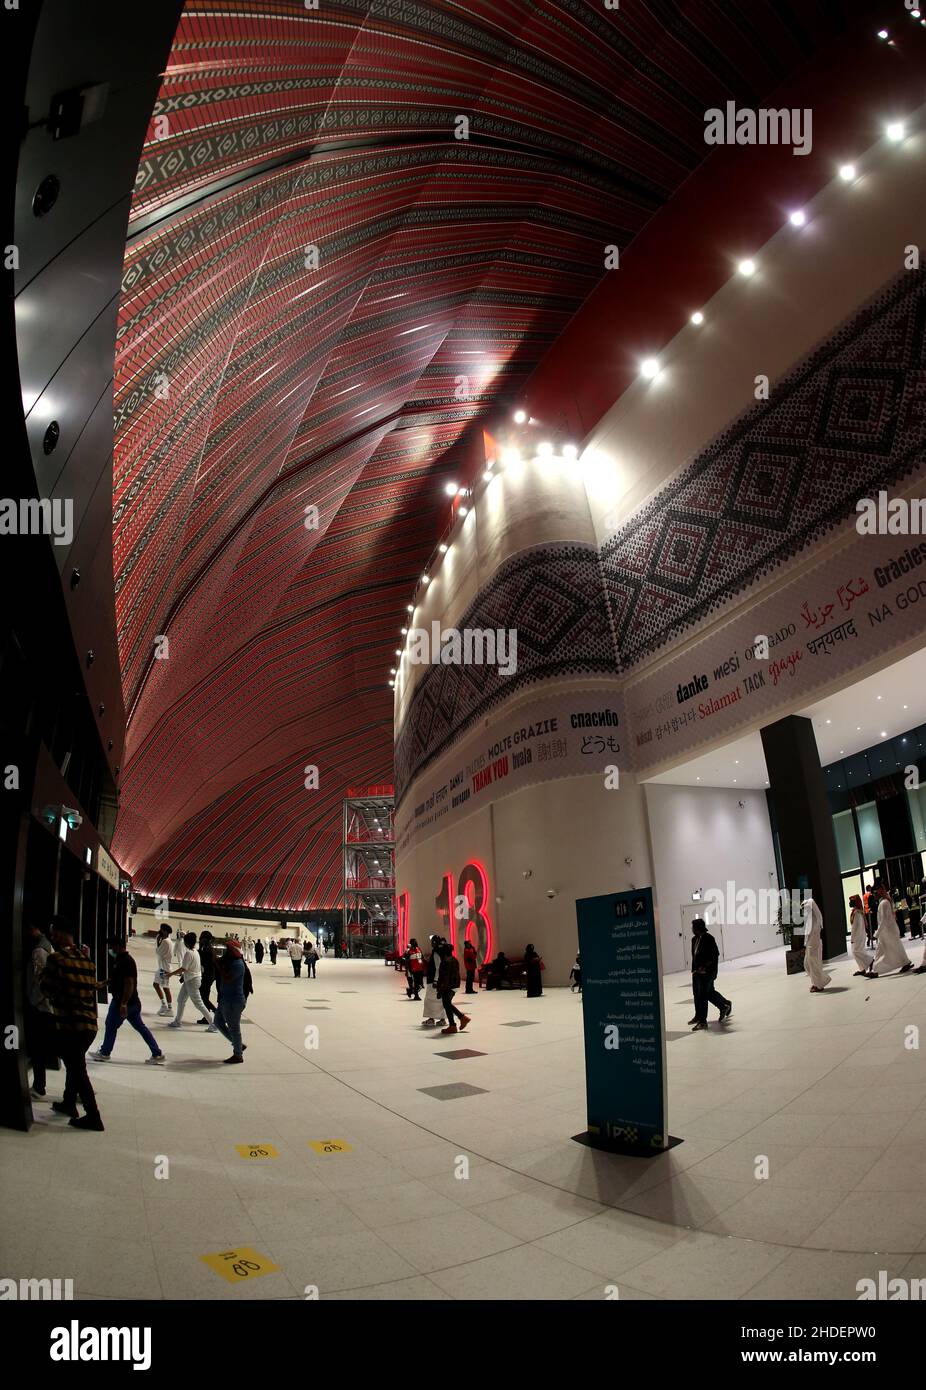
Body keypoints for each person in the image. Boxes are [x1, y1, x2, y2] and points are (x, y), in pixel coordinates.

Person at [39, 916, 104, 1130]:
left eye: (52, 931)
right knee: (74, 1064)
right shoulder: (87, 961)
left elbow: (46, 990)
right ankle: (68, 1103)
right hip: (89, 1026)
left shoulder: (56, 959)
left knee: (77, 1069)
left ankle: (93, 1116)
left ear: (58, 932)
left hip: (70, 1025)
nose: (51, 935)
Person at [90, 935, 167, 1063]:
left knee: (111, 1025)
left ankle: (105, 1052)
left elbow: (129, 983)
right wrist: (103, 983)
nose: (110, 949)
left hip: (124, 1002)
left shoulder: (127, 961)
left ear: (118, 946)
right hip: (132, 1003)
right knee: (140, 1027)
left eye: (111, 947)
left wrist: (124, 1003)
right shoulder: (120, 960)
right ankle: (157, 1053)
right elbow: (117, 979)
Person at [24, 924, 57, 1099]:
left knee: (38, 1049)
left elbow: (41, 981)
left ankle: (39, 1086)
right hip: (48, 1007)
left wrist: (34, 1000)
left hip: (43, 1008)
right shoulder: (48, 945)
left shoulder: (39, 951)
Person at [166, 932, 216, 1029]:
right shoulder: (195, 952)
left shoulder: (189, 953)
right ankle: (177, 1021)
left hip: (192, 981)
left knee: (198, 1003)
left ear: (185, 942)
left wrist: (170, 974)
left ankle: (213, 1024)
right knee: (181, 1000)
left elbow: (183, 968)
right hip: (190, 980)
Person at [690, 918, 731, 1030]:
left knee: (703, 995)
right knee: (700, 994)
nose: (692, 929)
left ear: (698, 928)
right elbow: (694, 956)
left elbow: (714, 955)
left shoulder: (709, 939)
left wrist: (705, 967)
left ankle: (703, 1021)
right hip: (697, 972)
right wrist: (694, 970)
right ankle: (723, 1006)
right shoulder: (694, 939)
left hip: (707, 972)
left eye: (693, 927)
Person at [869, 883, 914, 977]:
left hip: (888, 931)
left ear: (880, 891)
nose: (873, 895)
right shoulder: (883, 901)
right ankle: (874, 969)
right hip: (886, 932)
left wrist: (876, 934)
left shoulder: (884, 902)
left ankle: (875, 970)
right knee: (884, 949)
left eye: (874, 892)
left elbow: (884, 920)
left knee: (894, 949)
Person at [213, 941, 247, 1063]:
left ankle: (238, 1055)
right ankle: (238, 1045)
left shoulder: (238, 964)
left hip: (234, 1001)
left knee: (234, 1028)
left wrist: (217, 963)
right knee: (218, 1021)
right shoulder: (231, 961)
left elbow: (227, 978)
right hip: (226, 999)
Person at [437, 943, 470, 1036]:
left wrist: (440, 989)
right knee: (447, 1004)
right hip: (454, 985)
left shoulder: (445, 962)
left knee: (446, 1004)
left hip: (447, 986)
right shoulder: (454, 960)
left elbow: (444, 977)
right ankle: (461, 1019)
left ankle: (454, 1024)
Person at [801, 895, 831, 992]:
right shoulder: (810, 920)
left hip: (812, 946)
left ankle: (819, 984)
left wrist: (808, 947)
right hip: (809, 946)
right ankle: (817, 982)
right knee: (807, 965)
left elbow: (812, 936)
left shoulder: (815, 921)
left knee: (813, 966)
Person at [421, 935, 446, 1028]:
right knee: (440, 1000)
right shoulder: (443, 951)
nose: (431, 944)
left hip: (434, 981)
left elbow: (438, 967)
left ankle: (431, 1019)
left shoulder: (436, 952)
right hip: (441, 980)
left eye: (432, 942)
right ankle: (442, 1019)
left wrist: (435, 980)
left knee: (429, 1000)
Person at [848, 895, 874, 977]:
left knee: (856, 951)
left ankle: (870, 961)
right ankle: (862, 969)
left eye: (851, 901)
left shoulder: (857, 913)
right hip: (859, 935)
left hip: (858, 936)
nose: (849, 903)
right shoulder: (857, 912)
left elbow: (856, 927)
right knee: (859, 951)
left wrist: (852, 938)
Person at [196, 930, 218, 1022]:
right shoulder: (207, 948)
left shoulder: (208, 949)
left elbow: (204, 961)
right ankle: (209, 1015)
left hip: (208, 976)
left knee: (203, 997)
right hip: (209, 975)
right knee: (204, 997)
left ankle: (214, 1013)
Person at [153, 923, 174, 1016]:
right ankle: (164, 1005)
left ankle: (169, 1008)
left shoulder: (165, 941)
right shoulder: (167, 940)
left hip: (164, 969)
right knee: (156, 985)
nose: (160, 931)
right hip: (162, 967)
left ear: (165, 931)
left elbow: (158, 951)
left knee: (165, 987)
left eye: (161, 930)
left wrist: (158, 941)